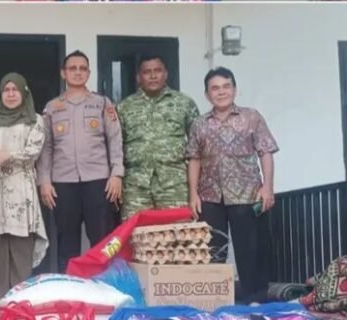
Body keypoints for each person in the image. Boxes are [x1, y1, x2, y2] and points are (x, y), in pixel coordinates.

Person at [187, 67, 279, 303]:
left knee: (251, 251)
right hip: (210, 196)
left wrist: (267, 187)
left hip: (247, 194)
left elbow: (266, 152)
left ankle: (255, 298)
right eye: (215, 88)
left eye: (226, 86)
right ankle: (213, 300)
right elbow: (194, 158)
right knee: (213, 250)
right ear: (207, 95)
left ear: (235, 89)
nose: (221, 92)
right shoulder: (199, 124)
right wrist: (193, 194)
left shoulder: (252, 117)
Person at [38, 50, 123, 271]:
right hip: (63, 183)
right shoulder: (52, 107)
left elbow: (114, 140)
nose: (77, 72)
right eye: (72, 68)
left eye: (82, 68)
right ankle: (70, 288)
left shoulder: (102, 103)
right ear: (63, 73)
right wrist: (44, 181)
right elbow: (46, 147)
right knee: (67, 241)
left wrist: (117, 174)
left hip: (99, 181)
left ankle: (103, 287)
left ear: (89, 73)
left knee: (102, 240)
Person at [0, 73, 48, 298]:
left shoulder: (35, 120)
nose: (11, 94)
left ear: (24, 92)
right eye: (7, 90)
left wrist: (7, 155)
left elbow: (33, 151)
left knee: (21, 249)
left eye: (16, 90)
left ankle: (20, 304)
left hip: (21, 192)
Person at [118, 55, 199, 219]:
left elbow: (197, 147)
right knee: (136, 237)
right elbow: (116, 148)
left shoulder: (184, 103)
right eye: (147, 72)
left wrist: (195, 190)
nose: (153, 76)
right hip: (135, 187)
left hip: (175, 185)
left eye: (158, 71)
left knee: (177, 237)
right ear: (138, 77)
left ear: (166, 74)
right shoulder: (125, 107)